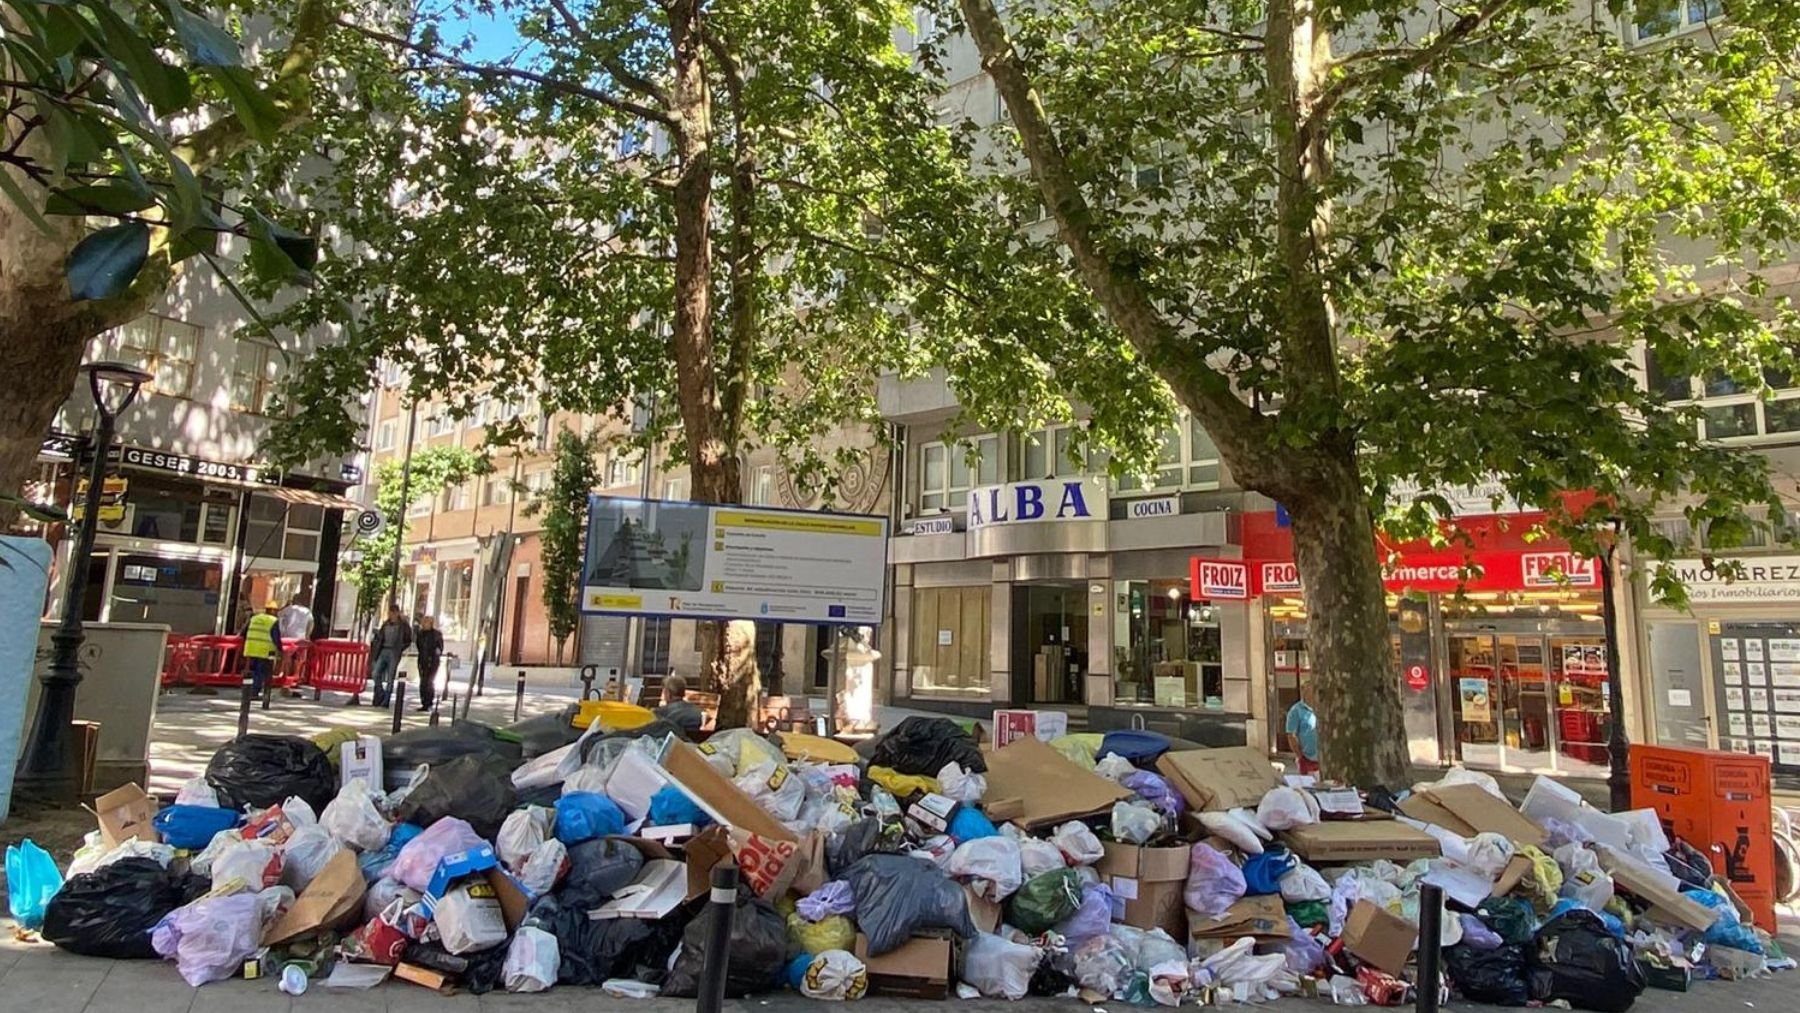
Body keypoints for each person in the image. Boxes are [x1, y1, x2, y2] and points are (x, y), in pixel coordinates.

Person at [367, 604, 413, 707]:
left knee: (390, 677)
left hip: (394, 652)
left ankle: (386, 700)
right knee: (375, 673)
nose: (391, 615)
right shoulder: (386, 624)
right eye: (390, 613)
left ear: (397, 613)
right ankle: (381, 693)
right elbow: (380, 637)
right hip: (383, 650)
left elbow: (408, 639)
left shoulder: (403, 626)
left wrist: (401, 648)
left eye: (393, 612)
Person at [242, 600, 283, 698]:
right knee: (260, 672)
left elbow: (245, 632)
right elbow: (276, 637)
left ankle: (247, 691)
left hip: (251, 648)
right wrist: (280, 650)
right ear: (273, 611)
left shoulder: (254, 618)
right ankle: (254, 692)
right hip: (264, 650)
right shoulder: (272, 620)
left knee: (251, 671)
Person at [1285, 684, 1320, 776]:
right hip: (1308, 759)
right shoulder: (1295, 711)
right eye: (1310, 690)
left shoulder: (1322, 708)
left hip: (1323, 759)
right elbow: (1291, 735)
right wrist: (1300, 756)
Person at [415, 615, 444, 712]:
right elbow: (418, 645)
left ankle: (429, 702)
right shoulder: (420, 634)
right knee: (423, 681)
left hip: (433, 661)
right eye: (423, 623)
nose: (424, 624)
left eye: (426, 623)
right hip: (422, 659)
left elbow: (439, 648)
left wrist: (435, 656)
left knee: (429, 681)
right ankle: (424, 702)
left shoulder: (436, 634)